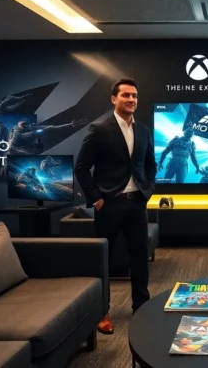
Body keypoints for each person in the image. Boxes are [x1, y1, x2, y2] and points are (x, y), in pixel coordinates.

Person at [74, 78, 156, 335]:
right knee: (104, 261)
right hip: (108, 205)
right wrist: (96, 199)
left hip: (137, 204)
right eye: (126, 95)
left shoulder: (143, 130)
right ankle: (102, 312)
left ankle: (141, 307)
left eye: (134, 96)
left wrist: (148, 189)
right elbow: (81, 168)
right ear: (114, 99)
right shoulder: (99, 129)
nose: (131, 100)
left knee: (140, 259)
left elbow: (150, 164)